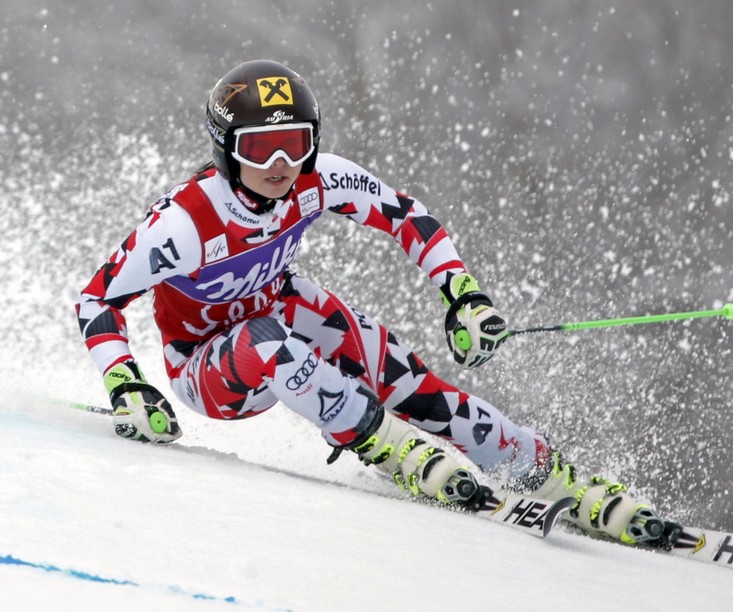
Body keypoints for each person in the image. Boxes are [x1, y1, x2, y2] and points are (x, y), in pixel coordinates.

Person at [76, 59, 670, 546]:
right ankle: (384, 445)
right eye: (260, 150)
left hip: (278, 307)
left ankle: (540, 468)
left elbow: (408, 218)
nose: (280, 166)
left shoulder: (319, 178)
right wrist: (127, 385)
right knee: (267, 343)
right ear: (227, 148)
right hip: (206, 365)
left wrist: (463, 295)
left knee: (400, 372)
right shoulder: (185, 222)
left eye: (295, 145)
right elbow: (97, 299)